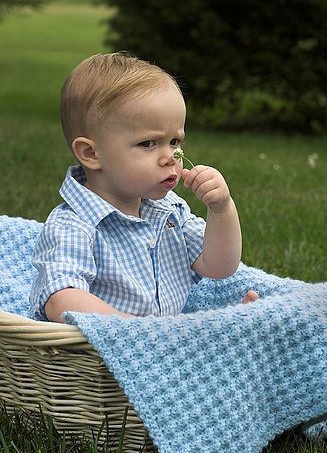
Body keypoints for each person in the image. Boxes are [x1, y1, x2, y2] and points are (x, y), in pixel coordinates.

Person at [29, 52, 258, 322]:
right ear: (91, 153)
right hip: (98, 352)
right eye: (148, 144)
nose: (170, 157)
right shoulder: (73, 227)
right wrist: (139, 332)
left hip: (161, 341)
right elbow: (62, 300)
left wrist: (221, 209)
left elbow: (219, 266)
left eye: (175, 142)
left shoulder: (169, 212)